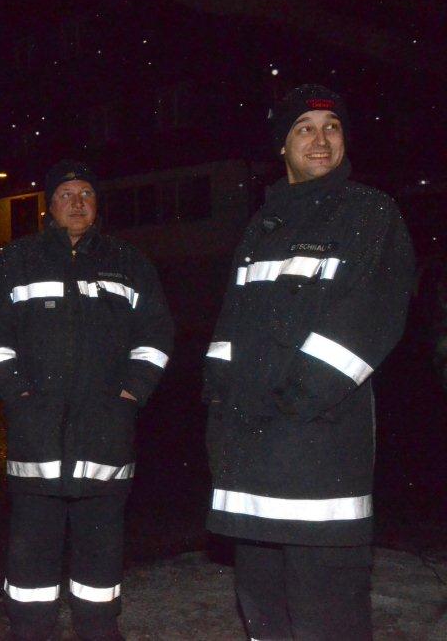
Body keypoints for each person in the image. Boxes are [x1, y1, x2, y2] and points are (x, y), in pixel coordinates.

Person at [203, 85, 415, 640]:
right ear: (282, 145)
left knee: (327, 614)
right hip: (249, 456)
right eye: (304, 128)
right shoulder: (263, 225)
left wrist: (295, 402)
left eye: (332, 127)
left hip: (320, 452)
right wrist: (219, 402)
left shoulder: (368, 212)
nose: (321, 139)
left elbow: (368, 321)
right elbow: (230, 327)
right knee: (263, 608)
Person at [0, 160, 173, 640]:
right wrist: (18, 394)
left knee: (101, 543)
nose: (78, 203)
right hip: (36, 432)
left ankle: (99, 628)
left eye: (86, 193)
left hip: (106, 430)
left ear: (97, 203)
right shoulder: (16, 261)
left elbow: (155, 336)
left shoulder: (129, 262)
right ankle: (29, 629)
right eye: (66, 194)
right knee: (32, 545)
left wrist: (131, 392)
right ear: (50, 205)